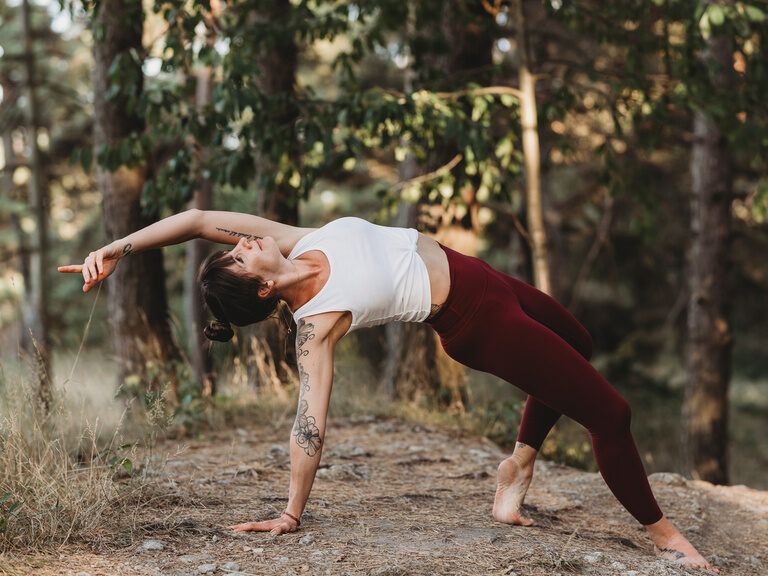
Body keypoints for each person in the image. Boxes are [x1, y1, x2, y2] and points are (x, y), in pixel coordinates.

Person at [59, 209, 717, 573]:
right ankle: (663, 536)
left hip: (481, 276)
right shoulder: (316, 326)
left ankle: (517, 465)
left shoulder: (299, 241)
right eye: (242, 254)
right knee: (612, 413)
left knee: (579, 343)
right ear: (260, 287)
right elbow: (308, 420)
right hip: (480, 324)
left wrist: (118, 247)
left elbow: (200, 218)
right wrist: (291, 513)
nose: (248, 239)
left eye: (240, 245)